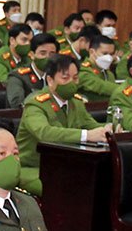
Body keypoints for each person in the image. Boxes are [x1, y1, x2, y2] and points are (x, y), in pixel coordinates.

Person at [15, 54, 109, 195]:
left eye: (75, 78)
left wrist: (108, 130)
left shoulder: (76, 103)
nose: (72, 83)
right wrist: (87, 135)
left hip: (67, 165)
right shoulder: (35, 104)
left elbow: (91, 125)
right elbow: (44, 133)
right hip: (34, 167)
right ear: (50, 80)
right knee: (69, 186)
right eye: (65, 78)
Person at [6, 32, 57, 108]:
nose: (47, 58)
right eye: (42, 53)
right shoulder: (17, 77)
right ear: (32, 55)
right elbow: (17, 104)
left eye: (52, 54)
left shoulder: (57, 75)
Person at [76, 33, 121, 103]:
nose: (108, 58)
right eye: (105, 53)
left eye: (111, 54)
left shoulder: (109, 73)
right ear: (91, 52)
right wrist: (125, 90)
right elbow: (101, 86)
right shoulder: (82, 71)